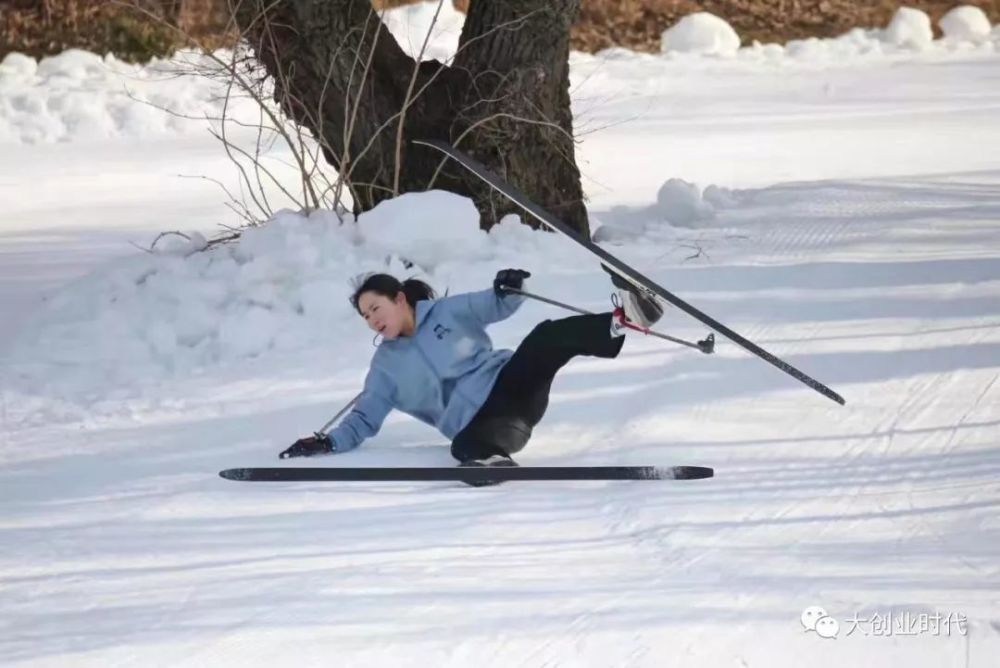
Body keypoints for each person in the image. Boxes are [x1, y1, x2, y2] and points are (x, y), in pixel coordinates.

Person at [279, 268, 663, 476]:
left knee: (546, 337)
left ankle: (623, 320)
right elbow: (362, 419)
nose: (371, 320)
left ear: (399, 299)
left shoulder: (447, 312)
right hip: (490, 425)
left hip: (511, 385)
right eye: (365, 316)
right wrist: (327, 442)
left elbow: (497, 304)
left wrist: (509, 286)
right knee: (462, 447)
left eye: (375, 309)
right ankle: (492, 460)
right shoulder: (385, 369)